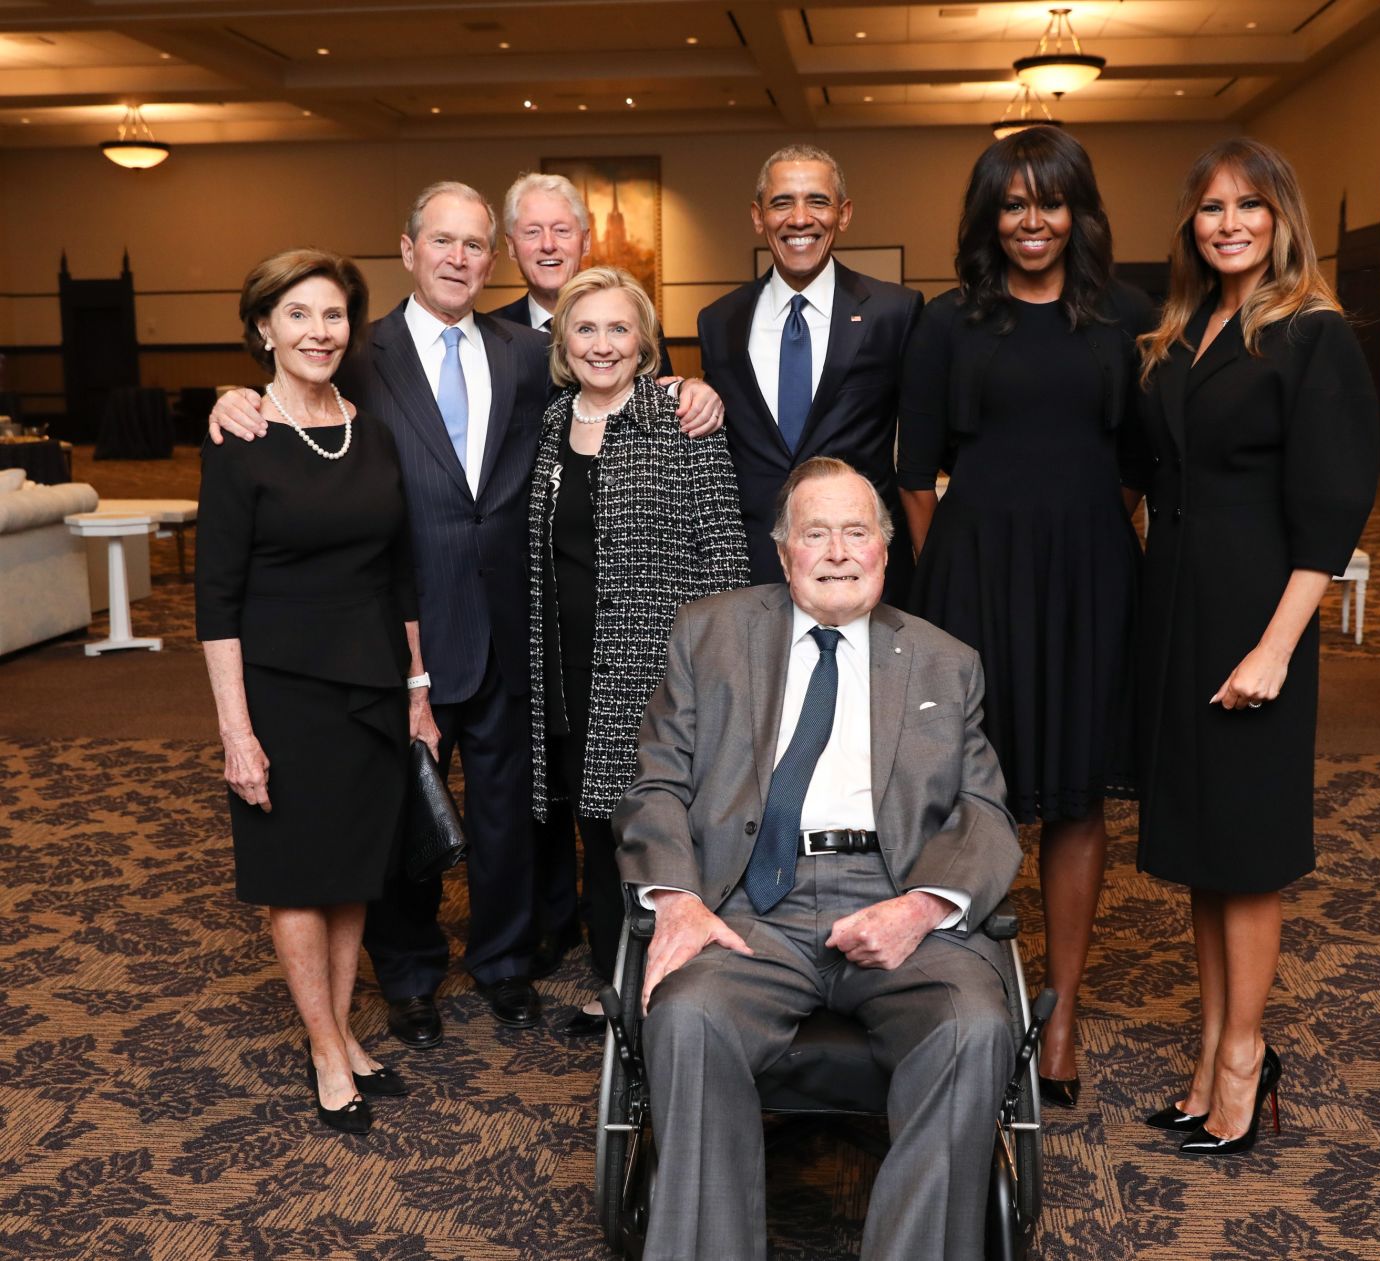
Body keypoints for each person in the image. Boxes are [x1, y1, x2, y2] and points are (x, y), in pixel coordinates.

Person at [209, 184, 724, 1049]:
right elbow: (290, 388)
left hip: (515, 626)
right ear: (407, 249)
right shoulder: (356, 351)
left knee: (505, 812)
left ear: (497, 261)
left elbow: (610, 391)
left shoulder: (529, 351)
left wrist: (688, 389)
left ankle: (502, 962)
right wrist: (237, 395)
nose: (458, 258)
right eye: (441, 242)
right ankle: (408, 975)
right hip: (393, 630)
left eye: (475, 246)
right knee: (399, 810)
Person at [613, 457, 1024, 1261]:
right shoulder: (710, 632)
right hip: (748, 904)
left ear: (884, 547)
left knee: (974, 1026)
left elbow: (985, 810)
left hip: (894, 894)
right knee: (690, 1017)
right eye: (815, 533)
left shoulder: (946, 659)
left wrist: (923, 908)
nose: (837, 551)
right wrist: (678, 899)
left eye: (856, 531)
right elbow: (655, 781)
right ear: (784, 551)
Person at [1132, 138, 1378, 1155]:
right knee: (1201, 851)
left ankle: (1244, 1057)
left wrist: (1277, 646)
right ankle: (1209, 1052)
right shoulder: (1185, 329)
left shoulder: (1313, 334)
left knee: (1248, 854)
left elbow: (1331, 512)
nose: (1227, 222)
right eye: (1209, 208)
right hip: (1179, 610)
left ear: (1282, 217)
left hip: (1256, 613)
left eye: (1248, 205)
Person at [897, 127, 1151, 1108]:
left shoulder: (1126, 314)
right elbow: (914, 472)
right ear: (987, 216)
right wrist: (950, 583)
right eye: (1012, 203)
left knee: (1077, 798)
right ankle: (969, 999)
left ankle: (1063, 1009)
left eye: (1050, 202)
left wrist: (1085, 543)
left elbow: (1138, 464)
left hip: (1090, 576)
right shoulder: (949, 319)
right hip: (972, 579)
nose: (1031, 222)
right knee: (971, 796)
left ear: (1079, 211)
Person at [197, 248, 440, 1134]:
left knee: (352, 873)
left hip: (371, 682)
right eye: (297, 314)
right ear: (264, 327)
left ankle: (339, 1029)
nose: (318, 332)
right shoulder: (240, 435)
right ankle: (327, 1048)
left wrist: (416, 687)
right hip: (283, 692)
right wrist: (236, 731)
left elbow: (400, 572)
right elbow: (215, 598)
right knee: (298, 878)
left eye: (332, 316)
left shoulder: (368, 431)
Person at [525, 267, 750, 1035]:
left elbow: (724, 552)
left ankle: (671, 981)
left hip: (658, 670)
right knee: (592, 827)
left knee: (654, 827)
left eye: (619, 328)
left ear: (645, 341)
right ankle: (614, 979)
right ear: (563, 342)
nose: (602, 344)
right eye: (585, 328)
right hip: (568, 664)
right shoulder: (553, 422)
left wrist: (722, 677)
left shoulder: (680, 416)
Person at [697, 145, 923, 604]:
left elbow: (922, 444)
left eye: (818, 201)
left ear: (844, 214)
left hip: (859, 566)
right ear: (759, 217)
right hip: (750, 567)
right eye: (782, 203)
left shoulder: (893, 312)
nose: (800, 218)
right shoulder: (718, 321)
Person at [491, 172, 676, 378]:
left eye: (561, 230)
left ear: (586, 241)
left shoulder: (636, 324)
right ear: (511, 246)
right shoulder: (490, 334)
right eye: (533, 232)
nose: (548, 245)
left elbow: (664, 397)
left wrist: (688, 387)